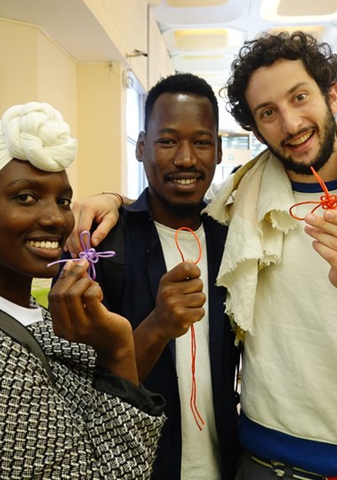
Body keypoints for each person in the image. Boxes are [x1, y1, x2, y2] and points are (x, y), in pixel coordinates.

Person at [69, 31, 337, 480]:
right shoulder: (236, 204)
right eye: (268, 113)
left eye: (300, 97)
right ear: (255, 128)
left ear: (333, 93)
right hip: (259, 458)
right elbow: (172, 199)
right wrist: (114, 200)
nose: (291, 124)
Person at [0, 102, 166, 479]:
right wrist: (118, 348)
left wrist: (115, 199)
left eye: (62, 201)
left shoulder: (25, 312)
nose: (55, 218)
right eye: (25, 197)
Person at [59, 73, 240, 480]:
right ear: (142, 147)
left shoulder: (236, 240)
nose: (185, 159)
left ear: (219, 149)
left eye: (201, 142)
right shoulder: (101, 246)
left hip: (229, 463)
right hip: (134, 467)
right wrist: (157, 326)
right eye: (168, 141)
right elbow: (76, 392)